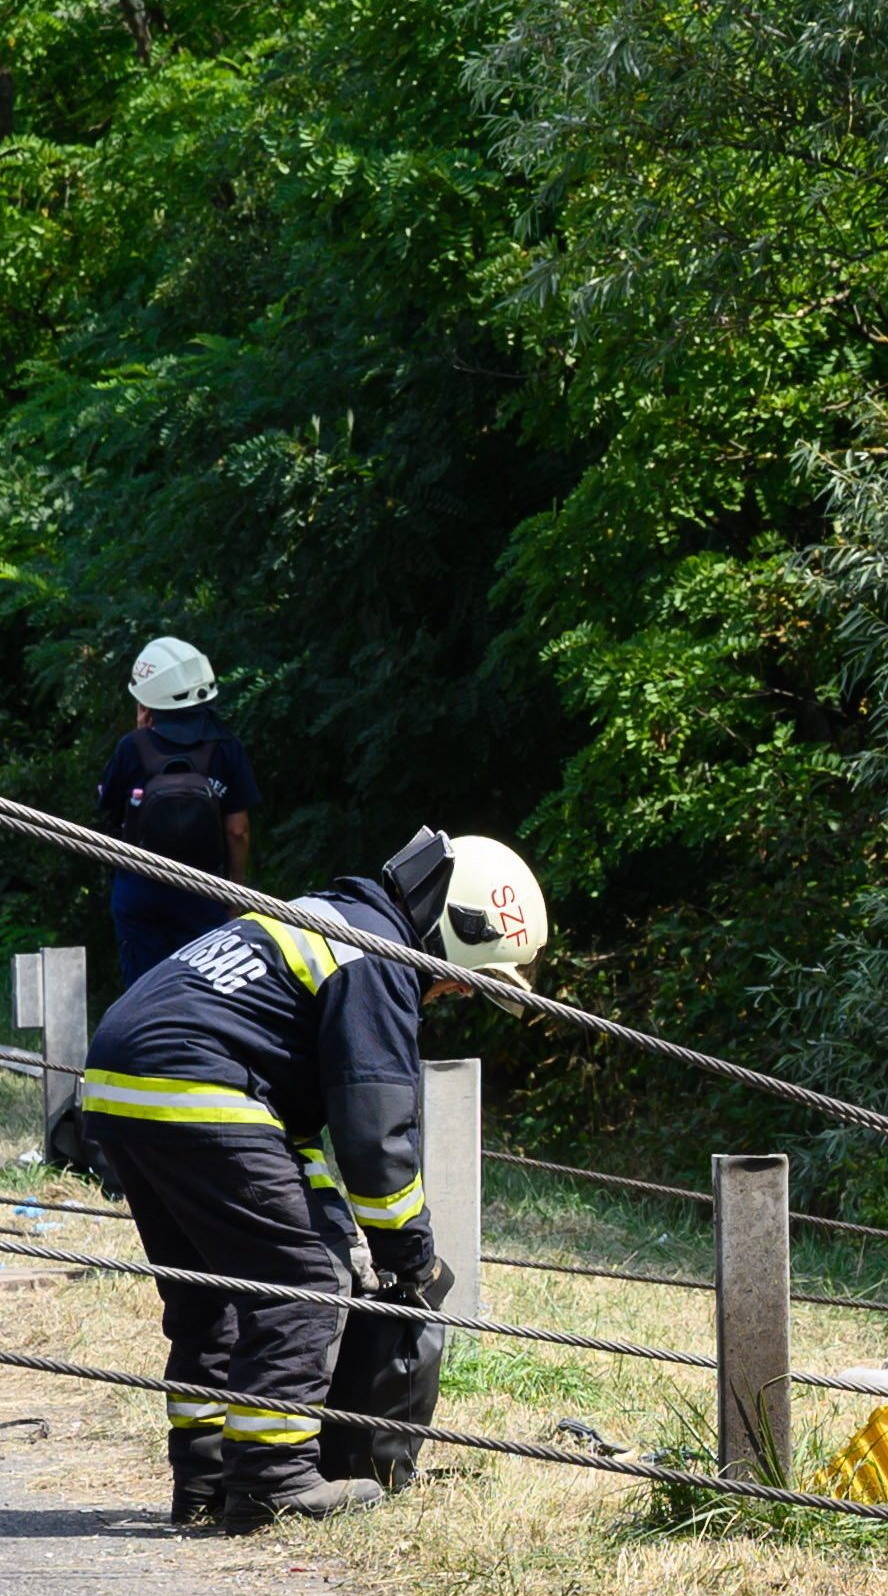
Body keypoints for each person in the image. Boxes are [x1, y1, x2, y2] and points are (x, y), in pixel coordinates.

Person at [85, 828, 545, 1527]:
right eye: (461, 982)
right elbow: (376, 1139)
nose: (448, 995)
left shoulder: (327, 917)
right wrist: (408, 1257)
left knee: (214, 1297)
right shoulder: (378, 960)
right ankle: (273, 1477)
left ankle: (205, 1478)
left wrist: (338, 1221)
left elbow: (289, 1125)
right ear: (459, 933)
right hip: (198, 1082)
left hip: (121, 1083)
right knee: (301, 1281)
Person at [95, 637, 258, 974]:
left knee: (144, 989)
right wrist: (236, 887)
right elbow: (238, 830)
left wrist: (140, 738)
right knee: (206, 987)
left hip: (140, 887)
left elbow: (107, 807)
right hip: (204, 890)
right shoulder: (227, 747)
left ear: (148, 701)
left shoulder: (132, 747)